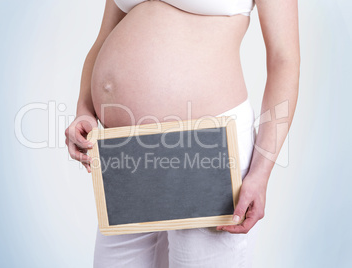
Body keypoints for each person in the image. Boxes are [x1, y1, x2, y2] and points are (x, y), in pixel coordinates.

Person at [65, 0, 300, 267]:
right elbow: (103, 39)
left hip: (208, 147)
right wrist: (84, 108)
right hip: (126, 153)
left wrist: (261, 172)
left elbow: (284, 60)